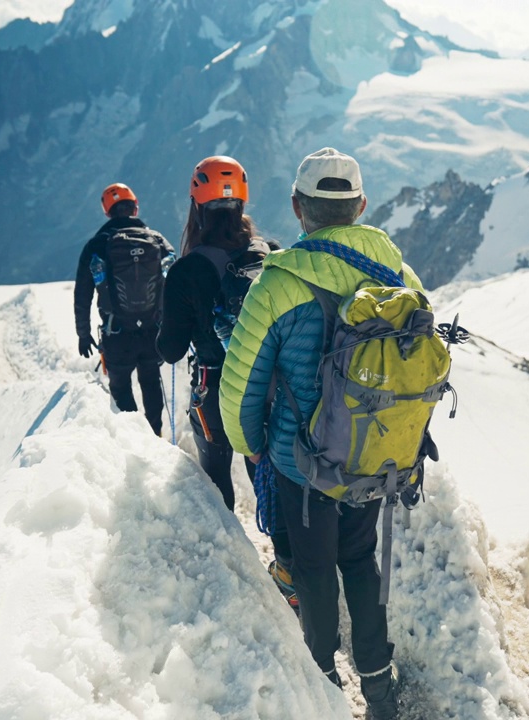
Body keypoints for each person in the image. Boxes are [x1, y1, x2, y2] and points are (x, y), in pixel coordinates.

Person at [220, 148, 419, 717]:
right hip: (372, 460)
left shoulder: (278, 284)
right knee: (360, 560)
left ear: (297, 208)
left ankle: (323, 682)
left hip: (302, 464)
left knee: (312, 569)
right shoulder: (401, 276)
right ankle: (380, 687)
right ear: (360, 206)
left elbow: (240, 385)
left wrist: (249, 442)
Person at [156, 156, 297, 610]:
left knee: (217, 476)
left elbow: (171, 350)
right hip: (269, 384)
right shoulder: (268, 251)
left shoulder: (186, 270)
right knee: (267, 470)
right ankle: (291, 566)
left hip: (214, 389)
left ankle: (236, 570)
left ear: (197, 201)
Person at [74, 182, 174, 435]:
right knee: (151, 382)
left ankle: (135, 438)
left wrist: (83, 334)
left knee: (120, 387)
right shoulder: (157, 240)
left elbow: (83, 293)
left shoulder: (97, 246)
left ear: (108, 213)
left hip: (116, 333)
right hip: (154, 330)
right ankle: (156, 435)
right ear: (135, 208)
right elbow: (174, 283)